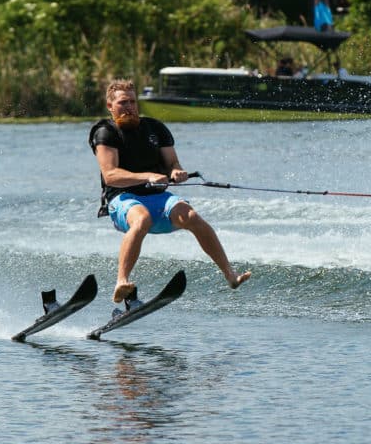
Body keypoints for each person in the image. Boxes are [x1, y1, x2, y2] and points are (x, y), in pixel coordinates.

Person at [89, 80, 251, 306]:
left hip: (158, 199)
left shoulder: (155, 128)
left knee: (192, 216)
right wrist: (148, 176)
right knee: (141, 218)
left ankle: (230, 276)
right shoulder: (106, 132)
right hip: (122, 199)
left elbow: (172, 162)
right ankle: (121, 282)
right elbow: (111, 175)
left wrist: (176, 172)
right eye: (123, 102)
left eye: (133, 102)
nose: (129, 107)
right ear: (110, 105)